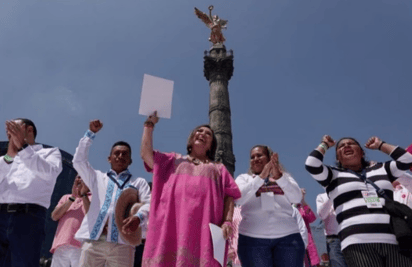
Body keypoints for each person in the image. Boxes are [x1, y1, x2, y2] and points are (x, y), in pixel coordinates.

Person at [141, 112, 241, 266]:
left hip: (205, 229)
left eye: (208, 134)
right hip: (172, 225)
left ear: (211, 145)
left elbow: (230, 195)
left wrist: (227, 221)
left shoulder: (218, 168)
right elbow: (146, 155)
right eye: (199, 131)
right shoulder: (173, 160)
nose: (203, 134)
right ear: (192, 137)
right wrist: (149, 125)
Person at [305, 135, 412, 267]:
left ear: (362, 152)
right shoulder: (332, 175)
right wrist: (325, 145)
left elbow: (406, 159)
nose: (346, 146)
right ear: (338, 158)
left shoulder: (382, 168)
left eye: (351, 143)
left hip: (395, 240)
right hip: (357, 243)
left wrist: (380, 145)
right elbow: (311, 163)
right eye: (341, 146)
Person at [73, 119, 151, 267]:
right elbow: (78, 162)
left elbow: (149, 203)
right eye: (117, 153)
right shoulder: (96, 177)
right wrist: (90, 134)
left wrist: (138, 217)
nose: (120, 156)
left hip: (123, 244)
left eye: (125, 154)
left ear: (130, 161)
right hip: (94, 241)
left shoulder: (138, 182)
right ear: (109, 158)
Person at [0, 118, 63, 267]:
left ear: (29, 130)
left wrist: (23, 148)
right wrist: (11, 155)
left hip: (28, 218)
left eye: (14, 129)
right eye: (8, 132)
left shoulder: (50, 153)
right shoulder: (6, 159)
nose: (9, 134)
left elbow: (49, 172)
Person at [235, 145, 305, 267]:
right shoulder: (244, 179)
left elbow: (296, 198)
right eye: (252, 157)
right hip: (252, 240)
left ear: (269, 158)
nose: (255, 159)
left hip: (288, 238)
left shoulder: (285, 177)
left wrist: (279, 177)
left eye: (259, 155)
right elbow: (238, 198)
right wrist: (261, 178)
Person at [50, 176, 91, 267]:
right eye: (78, 177)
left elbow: (92, 217)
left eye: (83, 176)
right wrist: (73, 197)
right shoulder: (66, 197)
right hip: (60, 245)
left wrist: (83, 195)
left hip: (82, 246)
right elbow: (54, 216)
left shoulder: (94, 198)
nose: (80, 179)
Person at [316, 193, 348, 267]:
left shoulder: (346, 192)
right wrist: (331, 194)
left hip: (352, 236)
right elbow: (321, 214)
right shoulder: (321, 197)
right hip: (334, 240)